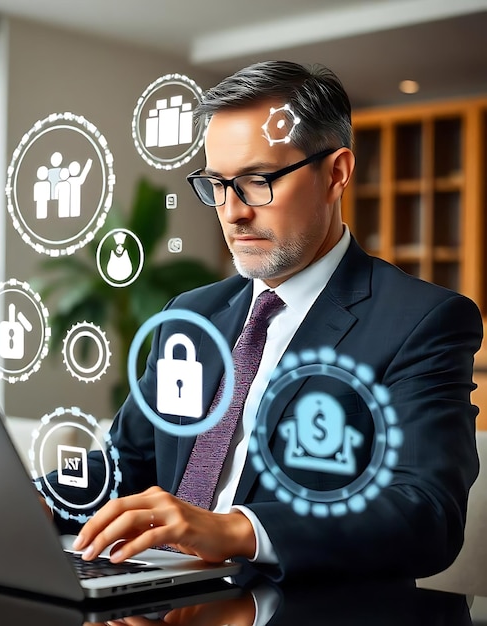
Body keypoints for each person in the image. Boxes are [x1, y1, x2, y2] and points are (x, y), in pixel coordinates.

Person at [41, 60, 482, 581]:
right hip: (159, 599)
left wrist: (234, 529)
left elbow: (426, 514)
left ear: (336, 174)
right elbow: (125, 461)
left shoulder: (421, 322)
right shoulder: (190, 315)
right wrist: (30, 500)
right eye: (217, 184)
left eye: (256, 180)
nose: (233, 211)